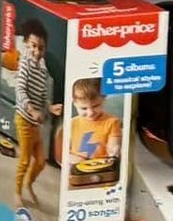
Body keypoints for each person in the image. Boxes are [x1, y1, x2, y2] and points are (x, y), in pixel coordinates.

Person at [15, 19, 62, 210]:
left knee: (41, 162)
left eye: (41, 48)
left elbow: (42, 94)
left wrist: (49, 108)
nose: (37, 51)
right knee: (25, 160)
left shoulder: (42, 67)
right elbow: (20, 90)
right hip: (24, 120)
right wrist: (32, 110)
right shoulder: (25, 63)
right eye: (34, 46)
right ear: (26, 44)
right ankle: (17, 192)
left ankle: (29, 184)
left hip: (36, 124)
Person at [68, 77, 123, 167]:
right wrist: (72, 158)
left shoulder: (113, 122)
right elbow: (65, 152)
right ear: (75, 104)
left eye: (95, 106)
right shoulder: (72, 123)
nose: (90, 113)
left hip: (100, 166)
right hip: (76, 166)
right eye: (84, 108)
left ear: (104, 99)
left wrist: (114, 150)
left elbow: (113, 147)